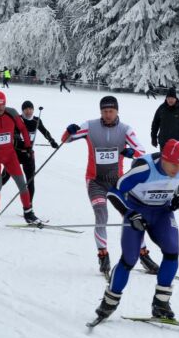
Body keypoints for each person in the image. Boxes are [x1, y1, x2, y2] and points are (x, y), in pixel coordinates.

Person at [92, 140, 179, 323]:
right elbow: (113, 192)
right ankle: (109, 302)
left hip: (162, 212)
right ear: (164, 159)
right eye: (173, 164)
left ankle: (161, 304)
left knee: (172, 252)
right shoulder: (144, 169)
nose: (177, 169)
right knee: (129, 259)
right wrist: (129, 214)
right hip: (137, 209)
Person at [61, 96, 157, 276]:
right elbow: (65, 140)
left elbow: (141, 151)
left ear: (117, 111)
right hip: (95, 180)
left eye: (111, 111)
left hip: (117, 182)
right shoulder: (90, 126)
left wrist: (131, 152)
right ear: (100, 112)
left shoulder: (125, 129)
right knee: (101, 214)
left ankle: (143, 253)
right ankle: (103, 254)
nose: (108, 115)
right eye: (104, 111)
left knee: (131, 215)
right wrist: (69, 131)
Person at [0, 100, 58, 210]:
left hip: (28, 155)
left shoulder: (37, 121)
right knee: (1, 180)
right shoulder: (17, 119)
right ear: (22, 110)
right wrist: (21, 143)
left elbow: (45, 131)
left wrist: (51, 141)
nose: (28, 111)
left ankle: (28, 207)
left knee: (30, 181)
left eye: (30, 109)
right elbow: (14, 135)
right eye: (26, 109)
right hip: (15, 154)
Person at [0, 91, 40, 226]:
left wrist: (28, 146)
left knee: (22, 184)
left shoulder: (11, 113)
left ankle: (28, 213)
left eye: (3, 104)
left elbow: (23, 128)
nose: (1, 108)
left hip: (10, 156)